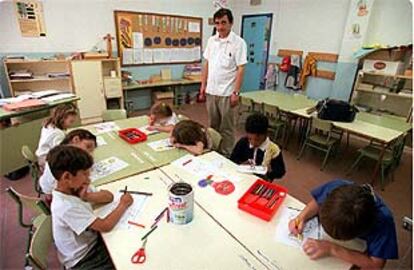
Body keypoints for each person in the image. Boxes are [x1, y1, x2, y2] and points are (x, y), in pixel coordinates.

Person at [48, 145, 133, 270]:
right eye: (85, 174)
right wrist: (123, 204)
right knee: (127, 258)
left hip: (92, 242)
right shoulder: (65, 206)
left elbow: (108, 197)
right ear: (67, 177)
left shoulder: (75, 186)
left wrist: (88, 196)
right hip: (84, 259)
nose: (89, 179)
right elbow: (105, 226)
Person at [289, 179, 398, 269]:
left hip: (359, 246)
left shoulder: (384, 222)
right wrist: (301, 217)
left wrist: (332, 249)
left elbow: (376, 265)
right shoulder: (336, 188)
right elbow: (317, 202)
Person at [199, 8, 247, 156]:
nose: (220, 27)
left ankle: (226, 155)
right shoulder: (211, 41)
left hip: (227, 93)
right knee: (213, 126)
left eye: (224, 23)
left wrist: (236, 92)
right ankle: (214, 152)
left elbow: (241, 69)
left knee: (227, 128)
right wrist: (203, 85)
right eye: (217, 23)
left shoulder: (238, 43)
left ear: (231, 23)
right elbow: (206, 64)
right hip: (211, 91)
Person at [39, 129, 97, 196]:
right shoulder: (61, 159)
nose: (88, 153)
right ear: (76, 139)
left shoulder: (63, 152)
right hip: (51, 194)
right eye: (88, 146)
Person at [230, 113, 285, 181]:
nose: (253, 143)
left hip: (262, 181)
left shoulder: (274, 149)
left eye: (257, 140)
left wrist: (270, 172)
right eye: (250, 139)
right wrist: (241, 163)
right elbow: (232, 159)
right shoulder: (243, 142)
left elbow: (281, 172)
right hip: (243, 178)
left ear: (265, 134)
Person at [35, 103, 78, 167]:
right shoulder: (57, 134)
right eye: (71, 121)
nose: (72, 124)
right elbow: (61, 153)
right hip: (46, 160)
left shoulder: (49, 125)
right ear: (62, 119)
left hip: (41, 155)